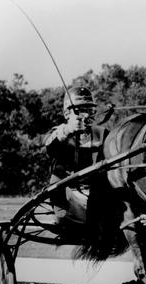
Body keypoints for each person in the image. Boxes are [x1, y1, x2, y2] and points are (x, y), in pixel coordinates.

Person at [44, 86, 108, 230]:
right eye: (81, 110)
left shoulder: (102, 133)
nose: (86, 115)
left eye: (90, 110)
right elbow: (49, 147)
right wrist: (68, 130)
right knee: (59, 192)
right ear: (67, 113)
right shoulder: (59, 132)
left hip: (96, 195)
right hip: (67, 195)